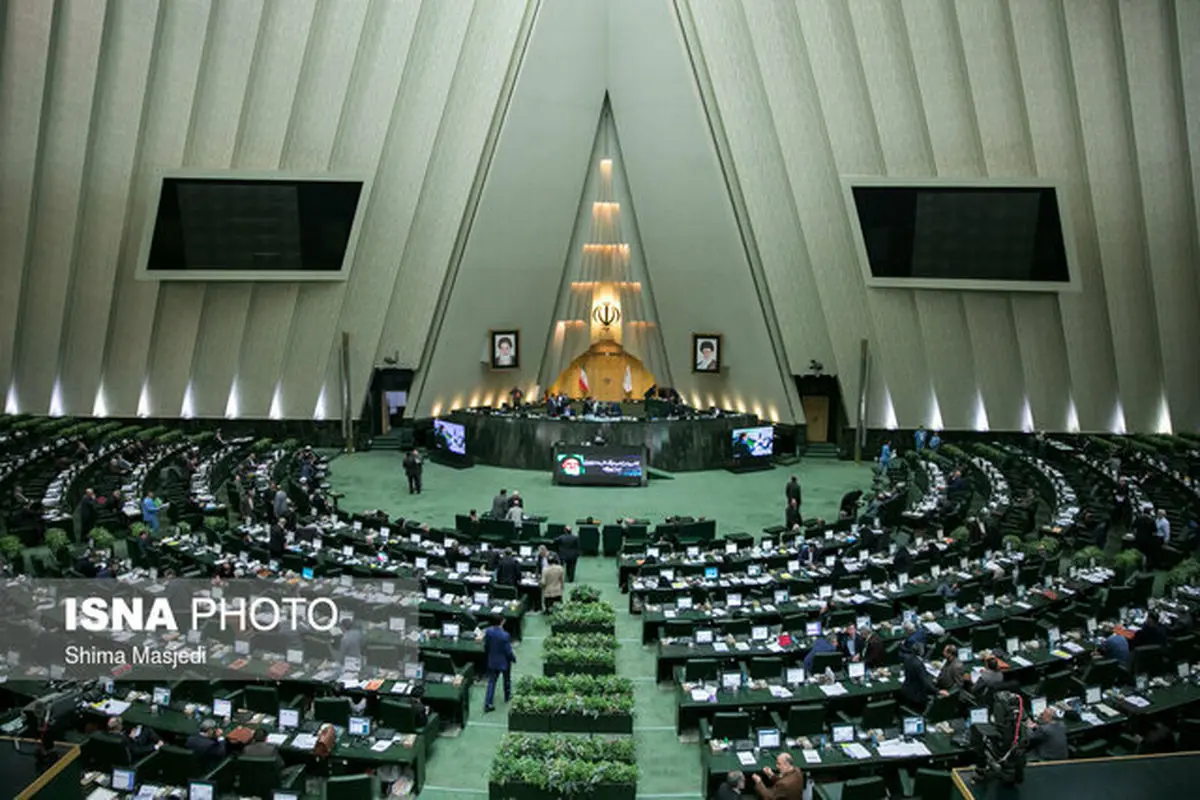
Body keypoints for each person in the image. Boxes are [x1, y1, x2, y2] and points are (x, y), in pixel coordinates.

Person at [483, 615, 516, 713]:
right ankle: (507, 695)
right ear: (502, 622)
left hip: (492, 660)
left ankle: (488, 703)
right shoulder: (505, 635)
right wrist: (513, 658)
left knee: (491, 682)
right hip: (504, 661)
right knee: (506, 679)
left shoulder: (488, 632)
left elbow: (486, 645)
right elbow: (508, 651)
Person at [899, 644, 944, 708]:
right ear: (921, 652)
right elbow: (926, 683)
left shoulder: (907, 658)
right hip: (916, 695)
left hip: (906, 689)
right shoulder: (919, 665)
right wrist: (938, 691)